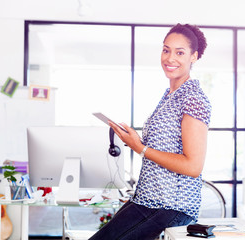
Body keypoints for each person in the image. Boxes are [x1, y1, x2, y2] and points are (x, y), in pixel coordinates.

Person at [89, 23, 212, 240]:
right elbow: (163, 147)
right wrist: (134, 140)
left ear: (194, 57)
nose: (170, 58)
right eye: (166, 50)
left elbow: (193, 166)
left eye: (179, 52)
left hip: (170, 205)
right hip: (147, 199)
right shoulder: (169, 95)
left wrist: (141, 147)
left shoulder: (193, 98)